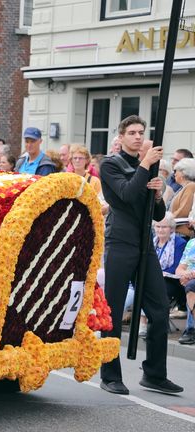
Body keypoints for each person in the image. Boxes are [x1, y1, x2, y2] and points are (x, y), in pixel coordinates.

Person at [99, 115, 183, 395]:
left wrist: (158, 196)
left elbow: (157, 215)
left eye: (141, 132)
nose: (137, 136)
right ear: (121, 137)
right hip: (120, 243)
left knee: (159, 309)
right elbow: (125, 194)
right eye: (132, 132)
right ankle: (110, 374)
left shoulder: (145, 167)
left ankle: (155, 374)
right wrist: (146, 166)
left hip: (145, 245)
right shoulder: (110, 165)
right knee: (113, 308)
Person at [174, 231, 195, 345]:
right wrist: (185, 275)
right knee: (190, 285)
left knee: (191, 286)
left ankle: (191, 329)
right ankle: (191, 330)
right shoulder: (191, 243)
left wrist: (191, 274)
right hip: (190, 279)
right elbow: (179, 269)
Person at [168, 158, 195, 238]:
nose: (174, 174)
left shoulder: (191, 186)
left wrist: (167, 220)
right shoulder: (183, 187)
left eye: (176, 171)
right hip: (176, 232)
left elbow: (184, 211)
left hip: (182, 234)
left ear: (184, 172)